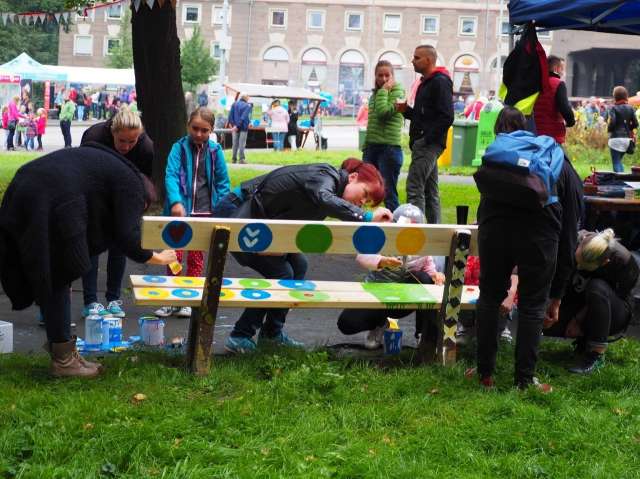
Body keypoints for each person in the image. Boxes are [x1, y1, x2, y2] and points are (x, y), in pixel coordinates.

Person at [0, 143, 177, 378]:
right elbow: (127, 236)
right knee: (59, 274)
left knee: (56, 275)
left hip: (29, 184)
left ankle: (65, 353)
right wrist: (158, 257)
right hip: (48, 194)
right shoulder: (133, 188)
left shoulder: (119, 174)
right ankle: (64, 362)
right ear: (144, 202)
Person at [213, 159, 393, 354]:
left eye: (367, 203)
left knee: (299, 266)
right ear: (353, 177)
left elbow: (329, 208)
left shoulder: (332, 189)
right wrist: (365, 216)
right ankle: (240, 335)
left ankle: (272, 334)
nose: (362, 203)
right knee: (281, 274)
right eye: (365, 194)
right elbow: (324, 198)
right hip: (238, 212)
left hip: (262, 220)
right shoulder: (325, 176)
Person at [473, 106, 583, 391]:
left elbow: (482, 211)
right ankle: (524, 380)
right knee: (533, 304)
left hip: (495, 227)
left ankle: (484, 374)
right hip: (540, 232)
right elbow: (569, 233)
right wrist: (557, 295)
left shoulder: (498, 160)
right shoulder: (557, 161)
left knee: (489, 297)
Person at [79, 105, 155, 320]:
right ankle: (90, 301)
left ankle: (113, 298)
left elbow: (143, 180)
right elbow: (83, 172)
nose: (127, 146)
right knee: (92, 246)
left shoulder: (146, 147)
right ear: (113, 132)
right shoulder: (94, 136)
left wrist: (138, 204)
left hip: (124, 198)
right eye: (122, 141)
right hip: (95, 195)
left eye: (132, 141)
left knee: (120, 245)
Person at [154, 107, 231, 319]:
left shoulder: (215, 151)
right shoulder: (178, 148)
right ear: (188, 126)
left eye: (204, 130)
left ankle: (188, 299)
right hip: (180, 212)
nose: (199, 133)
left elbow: (223, 182)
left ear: (211, 130)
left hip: (205, 212)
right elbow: (170, 175)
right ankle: (172, 298)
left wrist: (222, 208)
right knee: (173, 255)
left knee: (196, 258)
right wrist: (176, 201)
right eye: (195, 128)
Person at [337, 204, 444, 349]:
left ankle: (424, 335)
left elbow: (427, 265)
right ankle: (379, 324)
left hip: (403, 298)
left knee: (425, 280)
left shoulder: (421, 246)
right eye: (402, 230)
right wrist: (381, 261)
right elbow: (362, 256)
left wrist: (435, 275)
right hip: (377, 293)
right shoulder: (383, 238)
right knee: (346, 323)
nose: (407, 235)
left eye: (413, 232)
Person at [544, 229, 639, 374]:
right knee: (543, 321)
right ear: (581, 244)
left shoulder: (623, 261)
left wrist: (578, 320)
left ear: (605, 262)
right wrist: (551, 306)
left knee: (597, 287)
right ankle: (584, 341)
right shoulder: (569, 243)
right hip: (578, 301)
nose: (579, 267)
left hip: (613, 310)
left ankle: (595, 354)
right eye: (578, 261)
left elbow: (616, 297)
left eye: (585, 266)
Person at [396, 45, 453, 224]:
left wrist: (426, 139)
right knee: (430, 191)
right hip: (425, 142)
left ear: (428, 60)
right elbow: (423, 117)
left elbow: (447, 116)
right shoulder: (425, 83)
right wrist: (406, 110)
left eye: (416, 57)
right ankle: (434, 230)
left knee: (414, 187)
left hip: (428, 144)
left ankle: (416, 233)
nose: (412, 61)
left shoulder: (440, 82)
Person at [362, 59, 406, 212]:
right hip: (372, 147)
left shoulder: (398, 92)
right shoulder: (375, 95)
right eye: (380, 75)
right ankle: (365, 220)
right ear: (375, 76)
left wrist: (384, 90)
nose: (384, 79)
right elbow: (372, 123)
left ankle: (395, 222)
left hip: (389, 149)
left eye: (387, 75)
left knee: (388, 193)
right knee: (366, 189)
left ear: (393, 76)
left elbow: (382, 113)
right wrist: (366, 146)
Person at [533, 55, 575, 144]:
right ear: (556, 69)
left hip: (535, 133)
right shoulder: (558, 83)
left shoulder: (535, 83)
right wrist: (571, 121)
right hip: (552, 135)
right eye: (562, 69)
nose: (563, 72)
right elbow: (564, 107)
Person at [607, 86, 638, 173]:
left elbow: (612, 122)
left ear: (615, 96)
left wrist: (609, 130)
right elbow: (636, 124)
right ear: (625, 96)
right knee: (618, 161)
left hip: (615, 139)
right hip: (627, 140)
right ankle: (623, 179)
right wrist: (629, 128)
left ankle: (620, 180)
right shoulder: (631, 108)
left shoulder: (613, 108)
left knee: (616, 162)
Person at [228, 93, 252, 164]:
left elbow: (230, 115)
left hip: (235, 127)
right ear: (246, 97)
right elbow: (243, 117)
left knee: (234, 143)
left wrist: (232, 124)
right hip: (243, 127)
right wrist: (237, 126)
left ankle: (233, 159)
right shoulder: (247, 105)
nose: (249, 98)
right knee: (242, 143)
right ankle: (241, 159)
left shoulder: (234, 104)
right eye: (248, 97)